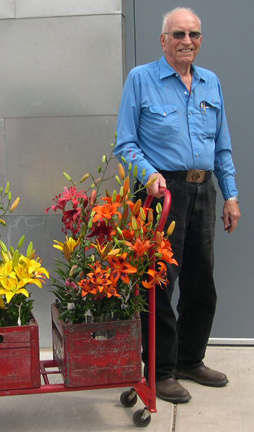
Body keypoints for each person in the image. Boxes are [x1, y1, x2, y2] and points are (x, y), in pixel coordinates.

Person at [114, 7, 241, 404]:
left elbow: (222, 146)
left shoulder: (210, 83)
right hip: (160, 193)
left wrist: (231, 194)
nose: (187, 41)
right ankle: (161, 369)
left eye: (194, 34)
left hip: (204, 193)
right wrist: (148, 175)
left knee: (201, 283)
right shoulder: (141, 80)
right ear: (163, 39)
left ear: (200, 40)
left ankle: (190, 359)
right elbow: (125, 143)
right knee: (160, 284)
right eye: (179, 34)